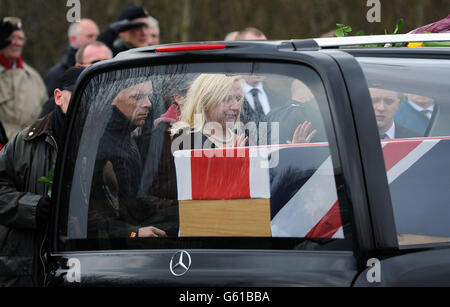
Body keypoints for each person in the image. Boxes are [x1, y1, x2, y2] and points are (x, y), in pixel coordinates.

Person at [0, 66, 85, 286]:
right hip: (28, 266)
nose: (84, 101)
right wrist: (32, 207)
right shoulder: (26, 142)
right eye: (78, 93)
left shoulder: (96, 141)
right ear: (58, 97)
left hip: (80, 261)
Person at [89, 80, 173, 238]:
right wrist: (132, 233)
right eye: (137, 97)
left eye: (149, 96)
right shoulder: (97, 142)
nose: (148, 104)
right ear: (112, 99)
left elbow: (133, 200)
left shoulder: (126, 135)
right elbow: (88, 216)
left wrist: (175, 208)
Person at [0, 17, 48, 141]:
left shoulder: (34, 78)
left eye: (20, 38)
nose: (17, 43)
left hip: (27, 151)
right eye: (11, 38)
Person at [171, 74, 248, 149]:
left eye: (238, 99)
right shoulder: (187, 140)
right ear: (205, 102)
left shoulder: (244, 139)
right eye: (227, 99)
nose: (236, 107)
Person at [40, 41, 113, 117]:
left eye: (108, 62)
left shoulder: (120, 98)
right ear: (79, 67)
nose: (103, 67)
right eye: (96, 63)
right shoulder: (58, 104)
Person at [44, 19, 99, 97]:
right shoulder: (56, 75)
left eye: (97, 36)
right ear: (73, 39)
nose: (95, 40)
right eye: (90, 36)